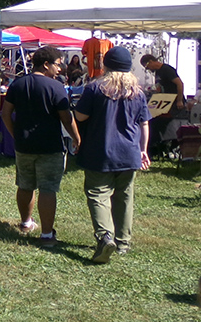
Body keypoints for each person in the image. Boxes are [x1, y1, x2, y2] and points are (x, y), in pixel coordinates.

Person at [74, 46, 151, 263]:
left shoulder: (95, 88)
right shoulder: (137, 92)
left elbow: (80, 117)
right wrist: (143, 149)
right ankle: (123, 242)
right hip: (129, 152)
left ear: (105, 65)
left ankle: (105, 236)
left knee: (98, 193)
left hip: (100, 151)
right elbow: (144, 123)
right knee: (125, 196)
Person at [1, 46, 81, 247]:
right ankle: (46, 235)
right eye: (57, 64)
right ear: (46, 65)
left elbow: (5, 113)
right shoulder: (56, 87)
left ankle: (26, 223)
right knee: (47, 189)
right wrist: (77, 138)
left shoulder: (18, 84)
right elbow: (66, 117)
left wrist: (14, 134)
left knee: (25, 184)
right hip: (50, 146)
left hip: (24, 145)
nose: (60, 68)